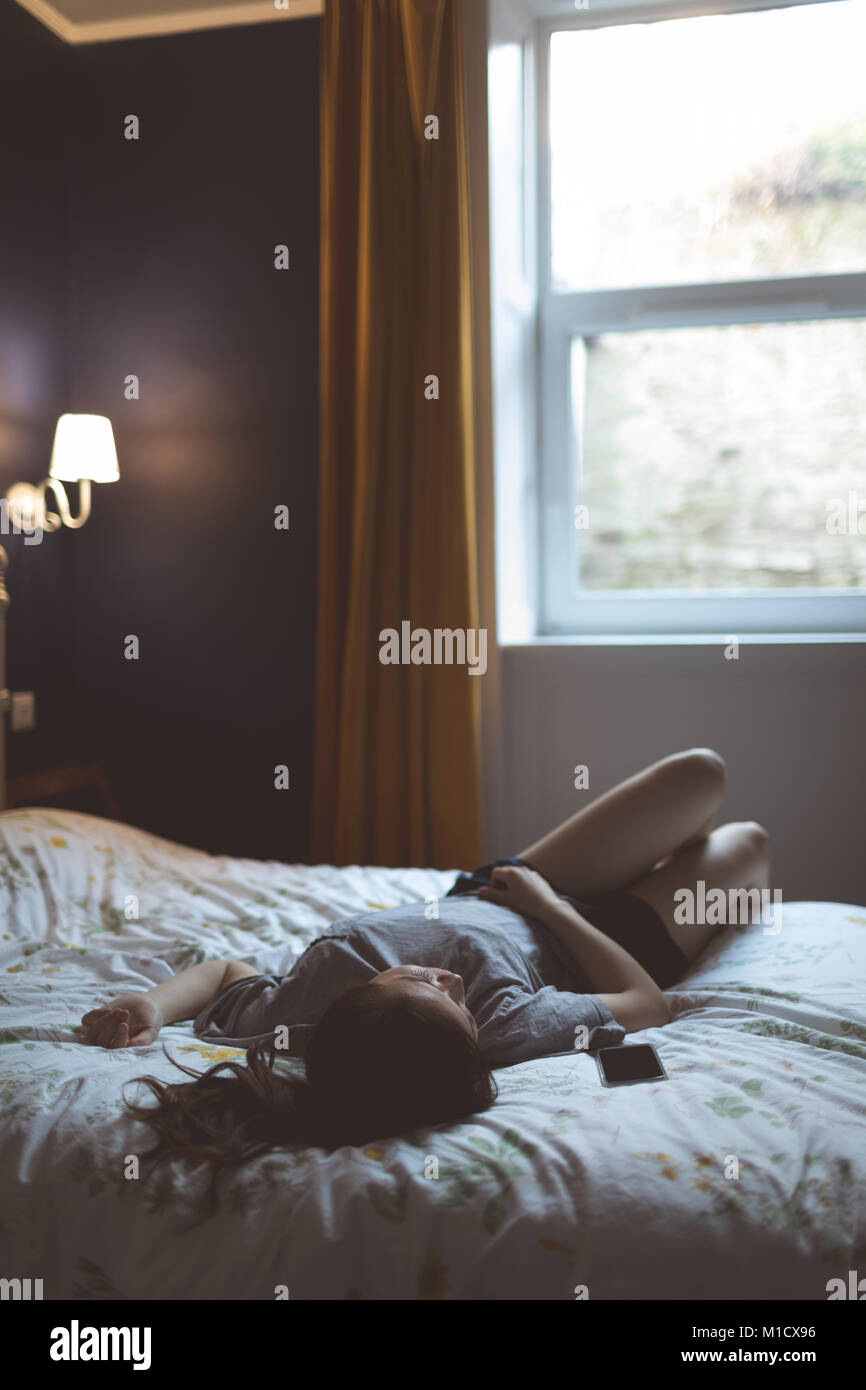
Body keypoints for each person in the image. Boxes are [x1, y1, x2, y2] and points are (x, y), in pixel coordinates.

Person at [80, 748, 769, 1158]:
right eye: (456, 1005)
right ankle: (664, 873)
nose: (451, 980)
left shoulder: (305, 1001)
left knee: (699, 774)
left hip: (500, 892)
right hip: (600, 938)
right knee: (751, 844)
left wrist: (151, 1003)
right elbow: (646, 1003)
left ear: (358, 997)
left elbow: (227, 972)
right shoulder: (502, 1031)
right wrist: (549, 910)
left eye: (420, 980)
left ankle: (662, 861)